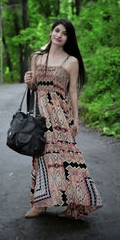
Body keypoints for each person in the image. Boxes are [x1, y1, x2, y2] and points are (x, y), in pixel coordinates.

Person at [24, 19, 103, 219]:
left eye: (64, 33)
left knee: (69, 160)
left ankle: (76, 205)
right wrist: (29, 81)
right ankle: (39, 204)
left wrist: (76, 119)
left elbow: (73, 91)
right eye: (57, 30)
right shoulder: (37, 57)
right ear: (51, 32)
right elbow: (34, 86)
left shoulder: (71, 61)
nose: (59, 34)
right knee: (41, 158)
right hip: (42, 118)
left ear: (69, 38)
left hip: (61, 117)